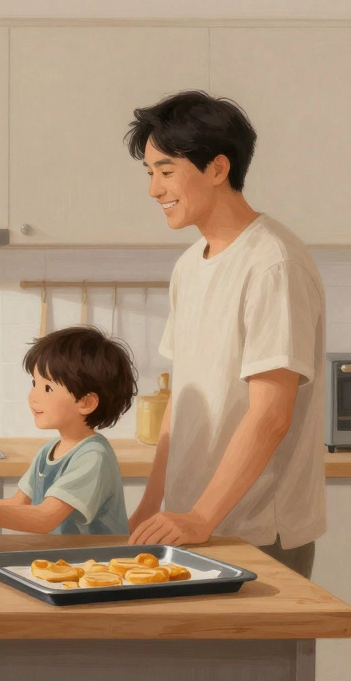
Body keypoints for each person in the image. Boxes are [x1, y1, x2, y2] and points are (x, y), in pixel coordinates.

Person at [122, 90, 327, 579]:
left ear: (217, 169)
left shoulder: (274, 264)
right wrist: (153, 504)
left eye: (166, 171)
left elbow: (271, 415)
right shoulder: (189, 265)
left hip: (256, 530)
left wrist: (200, 516)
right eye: (149, 173)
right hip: (191, 526)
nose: (154, 190)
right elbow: (182, 396)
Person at [0, 326, 136, 535]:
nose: (33, 396)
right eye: (35, 383)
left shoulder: (93, 457)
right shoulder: (49, 451)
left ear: (86, 402)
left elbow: (45, 517)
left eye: (47, 388)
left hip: (99, 563)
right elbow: (20, 503)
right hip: (65, 562)